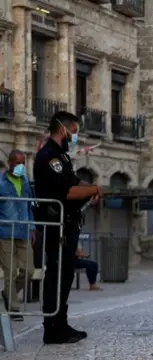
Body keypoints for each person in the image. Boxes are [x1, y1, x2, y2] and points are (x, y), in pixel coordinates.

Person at [33, 111, 104, 344]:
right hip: (57, 225)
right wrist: (93, 190)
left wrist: (91, 187)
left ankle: (61, 323)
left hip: (67, 224)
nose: (75, 135)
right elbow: (68, 192)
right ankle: (52, 328)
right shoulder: (49, 156)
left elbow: (74, 183)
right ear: (62, 128)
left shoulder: (61, 156)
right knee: (57, 275)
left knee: (64, 276)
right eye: (73, 130)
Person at [0, 150, 35, 321]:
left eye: (23, 162)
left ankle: (7, 293)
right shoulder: (1, 182)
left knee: (28, 271)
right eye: (17, 162)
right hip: (5, 232)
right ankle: (14, 308)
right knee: (10, 270)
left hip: (24, 231)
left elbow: (29, 207)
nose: (21, 165)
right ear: (10, 162)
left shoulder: (25, 182)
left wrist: (33, 227)